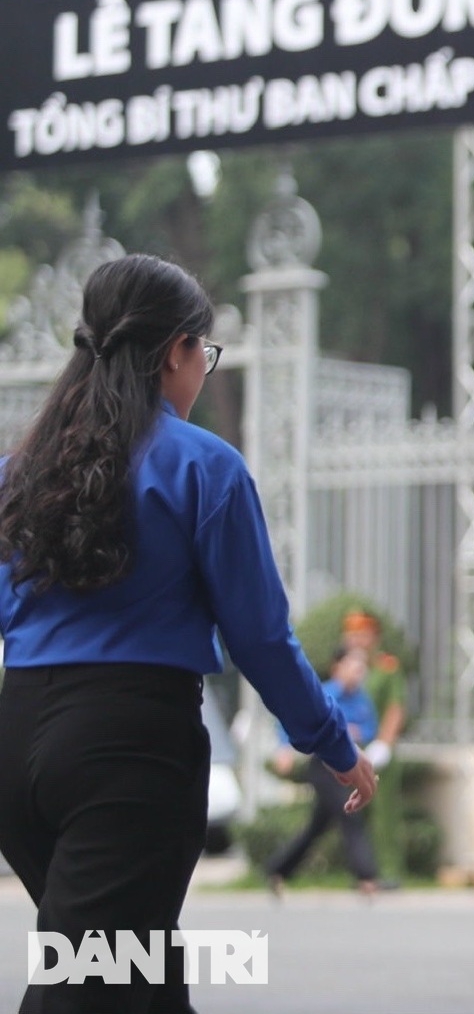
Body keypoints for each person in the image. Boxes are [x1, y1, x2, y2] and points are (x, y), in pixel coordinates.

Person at [0, 253, 377, 1007]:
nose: (204, 370)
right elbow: (262, 638)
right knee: (88, 989)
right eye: (204, 352)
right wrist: (334, 745)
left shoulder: (20, 470)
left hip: (18, 745)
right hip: (129, 751)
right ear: (175, 350)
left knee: (139, 980)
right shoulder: (205, 466)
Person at [266, 646, 382, 896]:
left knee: (317, 826)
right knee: (350, 814)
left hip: (350, 764)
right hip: (323, 765)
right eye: (353, 666)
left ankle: (277, 869)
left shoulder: (362, 699)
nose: (358, 673)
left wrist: (357, 733)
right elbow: (295, 718)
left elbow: (371, 727)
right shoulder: (323, 693)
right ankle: (367, 877)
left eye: (362, 668)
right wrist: (284, 748)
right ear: (337, 667)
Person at [341, 608, 406, 884]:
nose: (357, 640)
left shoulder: (386, 668)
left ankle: (389, 870)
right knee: (350, 814)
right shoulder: (344, 669)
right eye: (352, 634)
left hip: (378, 750)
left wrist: (384, 744)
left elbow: (395, 708)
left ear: (375, 636)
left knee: (384, 813)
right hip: (349, 750)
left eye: (363, 634)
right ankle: (361, 871)